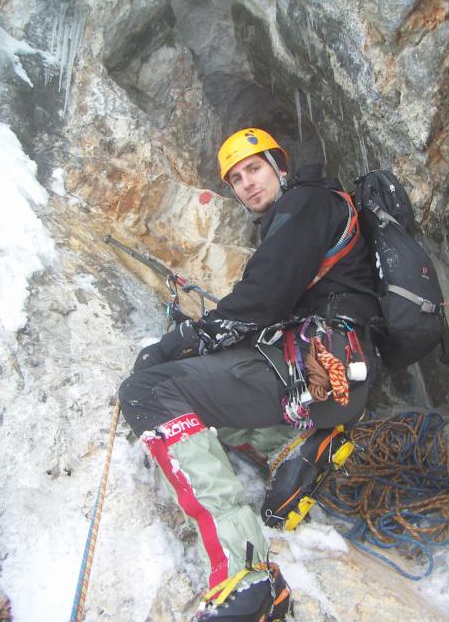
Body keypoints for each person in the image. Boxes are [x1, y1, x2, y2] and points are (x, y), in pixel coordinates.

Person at [119, 128, 379, 621]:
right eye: (236, 179)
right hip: (336, 368)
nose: (247, 184)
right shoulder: (309, 208)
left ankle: (248, 574)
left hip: (320, 365)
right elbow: (267, 302)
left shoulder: (304, 204)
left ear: (280, 165)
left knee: (149, 390)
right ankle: (293, 446)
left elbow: (261, 298)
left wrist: (181, 343)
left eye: (254, 169)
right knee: (202, 386)